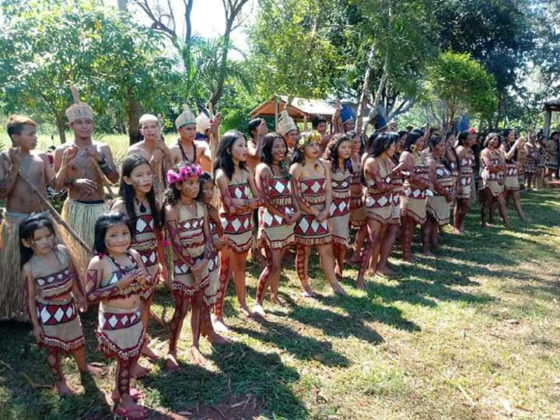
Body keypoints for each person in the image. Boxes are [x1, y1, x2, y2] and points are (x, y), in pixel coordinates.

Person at [20, 214, 99, 395]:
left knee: (77, 339)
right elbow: (30, 298)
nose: (45, 241)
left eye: (48, 236)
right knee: (52, 348)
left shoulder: (63, 252)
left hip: (68, 307)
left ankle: (83, 367)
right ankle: (60, 381)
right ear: (26, 243)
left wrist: (80, 296)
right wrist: (36, 325)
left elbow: (74, 275)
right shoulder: (30, 267)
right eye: (38, 239)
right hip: (48, 312)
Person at [86, 212, 150, 418]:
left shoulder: (134, 255)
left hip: (134, 315)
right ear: (101, 237)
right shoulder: (99, 262)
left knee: (131, 356)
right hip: (114, 319)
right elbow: (90, 296)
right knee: (124, 360)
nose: (121, 239)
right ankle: (124, 401)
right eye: (113, 235)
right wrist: (116, 286)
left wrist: (143, 281)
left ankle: (119, 391)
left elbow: (148, 282)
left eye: (124, 233)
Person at [110, 155, 167, 365]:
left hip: (151, 263)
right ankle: (129, 348)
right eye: (139, 174)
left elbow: (158, 237)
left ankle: (142, 342)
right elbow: (112, 243)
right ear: (126, 180)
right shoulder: (120, 207)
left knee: (146, 302)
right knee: (131, 306)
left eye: (148, 173)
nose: (146, 178)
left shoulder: (155, 204)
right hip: (129, 267)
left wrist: (162, 263)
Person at [0, 115, 55, 321]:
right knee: (20, 266)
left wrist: (65, 163)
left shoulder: (41, 157)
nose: (35, 138)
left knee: (46, 261)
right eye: (30, 134)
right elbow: (3, 192)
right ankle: (19, 307)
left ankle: (47, 301)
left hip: (42, 219)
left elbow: (55, 185)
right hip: (17, 222)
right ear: (15, 137)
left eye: (35, 133)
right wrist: (15, 165)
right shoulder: (3, 158)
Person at [54, 90, 119, 251]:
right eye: (79, 122)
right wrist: (75, 182)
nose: (84, 126)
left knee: (103, 252)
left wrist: (100, 159)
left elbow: (114, 179)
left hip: (99, 206)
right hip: (75, 208)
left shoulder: (102, 148)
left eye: (88, 122)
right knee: (77, 254)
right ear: (71, 126)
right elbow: (56, 185)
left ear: (93, 125)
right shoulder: (62, 151)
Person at [164, 162, 213, 368]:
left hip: (201, 261)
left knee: (199, 303)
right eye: (190, 183)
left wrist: (203, 261)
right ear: (177, 185)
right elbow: (175, 244)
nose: (195, 187)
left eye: (196, 183)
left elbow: (208, 237)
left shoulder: (201, 207)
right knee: (181, 308)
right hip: (184, 266)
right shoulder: (172, 210)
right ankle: (172, 350)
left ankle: (195, 344)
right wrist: (193, 266)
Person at [213, 131, 263, 330]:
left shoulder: (247, 172)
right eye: (239, 146)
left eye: (245, 145)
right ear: (228, 149)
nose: (244, 150)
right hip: (228, 229)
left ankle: (243, 304)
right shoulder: (222, 175)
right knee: (224, 271)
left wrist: (243, 204)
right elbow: (228, 206)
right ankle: (217, 315)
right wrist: (247, 203)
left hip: (244, 226)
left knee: (241, 268)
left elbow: (259, 200)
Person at [290, 131, 346, 297]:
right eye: (311, 145)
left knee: (326, 249)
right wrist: (315, 212)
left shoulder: (323, 164)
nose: (316, 148)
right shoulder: (296, 168)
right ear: (301, 148)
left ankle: (334, 285)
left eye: (317, 144)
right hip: (305, 216)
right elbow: (297, 197)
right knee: (304, 251)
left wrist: (326, 210)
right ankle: (305, 286)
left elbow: (329, 189)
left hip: (322, 213)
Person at [253, 133, 299, 315]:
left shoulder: (284, 168)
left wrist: (297, 212)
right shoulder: (263, 169)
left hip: (286, 220)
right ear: (267, 148)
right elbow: (264, 199)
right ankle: (258, 302)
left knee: (278, 263)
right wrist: (283, 215)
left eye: (282, 146)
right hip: (271, 221)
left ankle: (274, 294)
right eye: (276, 147)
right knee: (272, 264)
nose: (280, 150)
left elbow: (292, 194)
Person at [357, 133, 397, 286]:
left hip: (386, 204)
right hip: (374, 205)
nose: (395, 148)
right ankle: (360, 277)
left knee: (379, 237)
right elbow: (381, 186)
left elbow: (392, 177)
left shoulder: (387, 160)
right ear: (384, 146)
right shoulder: (372, 162)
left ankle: (372, 268)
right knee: (372, 239)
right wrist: (399, 185)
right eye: (392, 145)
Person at [197, 173, 230, 344]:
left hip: (213, 258)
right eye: (205, 189)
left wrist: (220, 239)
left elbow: (219, 233)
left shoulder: (211, 209)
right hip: (202, 258)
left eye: (211, 188)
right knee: (203, 296)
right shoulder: (196, 210)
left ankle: (205, 326)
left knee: (209, 295)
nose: (209, 193)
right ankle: (209, 330)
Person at [399, 129, 430, 263]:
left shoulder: (420, 155)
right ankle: (405, 254)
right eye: (420, 140)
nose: (422, 143)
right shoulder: (407, 155)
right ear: (413, 141)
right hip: (410, 194)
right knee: (408, 225)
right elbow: (409, 176)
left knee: (412, 226)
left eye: (423, 140)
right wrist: (426, 183)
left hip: (420, 194)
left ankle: (408, 252)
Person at [325, 134, 353, 278]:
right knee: (331, 241)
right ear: (335, 148)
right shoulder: (328, 164)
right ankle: (330, 269)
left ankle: (339, 266)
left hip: (344, 208)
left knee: (342, 242)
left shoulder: (349, 163)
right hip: (331, 207)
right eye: (343, 147)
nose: (347, 150)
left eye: (349, 147)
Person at [127, 114, 171, 201]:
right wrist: (153, 160)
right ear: (141, 131)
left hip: (162, 194)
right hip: (142, 195)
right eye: (146, 128)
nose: (150, 130)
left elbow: (170, 173)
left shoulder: (164, 149)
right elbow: (134, 175)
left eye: (153, 127)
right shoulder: (134, 151)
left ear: (158, 129)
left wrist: (167, 154)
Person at [423, 137, 454, 254]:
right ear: (432, 147)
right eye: (440, 145)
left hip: (442, 196)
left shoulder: (441, 160)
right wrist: (446, 192)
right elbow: (433, 181)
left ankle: (434, 244)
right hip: (434, 197)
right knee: (429, 222)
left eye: (444, 145)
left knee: (435, 223)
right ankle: (425, 247)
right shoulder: (431, 161)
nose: (443, 148)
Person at [479, 133, 509, 228]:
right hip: (488, 179)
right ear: (488, 139)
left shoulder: (498, 152)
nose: (495, 141)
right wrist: (498, 168)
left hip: (497, 179)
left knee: (501, 201)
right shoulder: (485, 152)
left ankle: (506, 222)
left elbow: (504, 166)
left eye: (496, 140)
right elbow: (489, 167)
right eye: (493, 139)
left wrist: (498, 169)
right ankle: (484, 222)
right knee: (487, 201)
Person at [348, 131, 367, 264]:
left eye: (359, 141)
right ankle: (340, 257)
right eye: (354, 142)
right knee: (345, 227)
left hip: (359, 196)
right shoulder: (345, 158)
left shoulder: (359, 156)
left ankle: (356, 252)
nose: (358, 144)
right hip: (347, 197)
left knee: (363, 225)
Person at [453, 130, 475, 234]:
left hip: (468, 180)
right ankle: (457, 226)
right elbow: (457, 167)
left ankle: (458, 225)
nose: (472, 141)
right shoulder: (460, 150)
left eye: (472, 138)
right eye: (469, 139)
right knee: (464, 204)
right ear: (463, 140)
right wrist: (458, 183)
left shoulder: (469, 150)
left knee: (462, 204)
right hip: (461, 180)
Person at [500, 129, 525, 221]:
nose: (513, 137)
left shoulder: (513, 145)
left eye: (514, 135)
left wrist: (519, 148)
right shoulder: (502, 145)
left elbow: (516, 159)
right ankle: (495, 216)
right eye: (511, 135)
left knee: (516, 196)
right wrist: (515, 145)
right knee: (503, 196)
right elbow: (507, 156)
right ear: (506, 136)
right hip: (505, 173)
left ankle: (522, 216)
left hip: (513, 173)